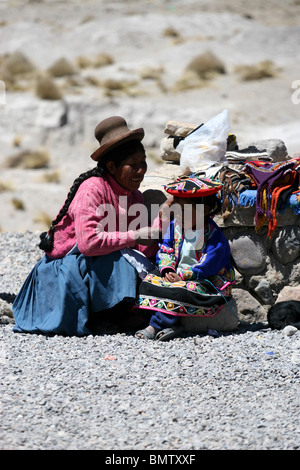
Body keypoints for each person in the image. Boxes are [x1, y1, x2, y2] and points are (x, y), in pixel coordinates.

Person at [13, 116, 168, 336]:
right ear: (112, 166)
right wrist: (136, 235)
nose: (141, 170)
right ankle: (101, 315)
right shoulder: (92, 190)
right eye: (133, 165)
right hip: (66, 272)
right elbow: (89, 243)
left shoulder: (134, 197)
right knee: (118, 259)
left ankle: (114, 313)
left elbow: (141, 249)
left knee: (133, 262)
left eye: (143, 163)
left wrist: (159, 226)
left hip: (95, 266)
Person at [134, 174, 235, 341]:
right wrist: (167, 269)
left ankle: (156, 325)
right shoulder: (174, 227)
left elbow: (207, 266)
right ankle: (172, 324)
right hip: (175, 276)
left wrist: (181, 276)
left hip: (205, 282)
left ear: (206, 209)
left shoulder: (213, 236)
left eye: (185, 210)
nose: (179, 214)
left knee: (180, 291)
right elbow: (165, 249)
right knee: (146, 283)